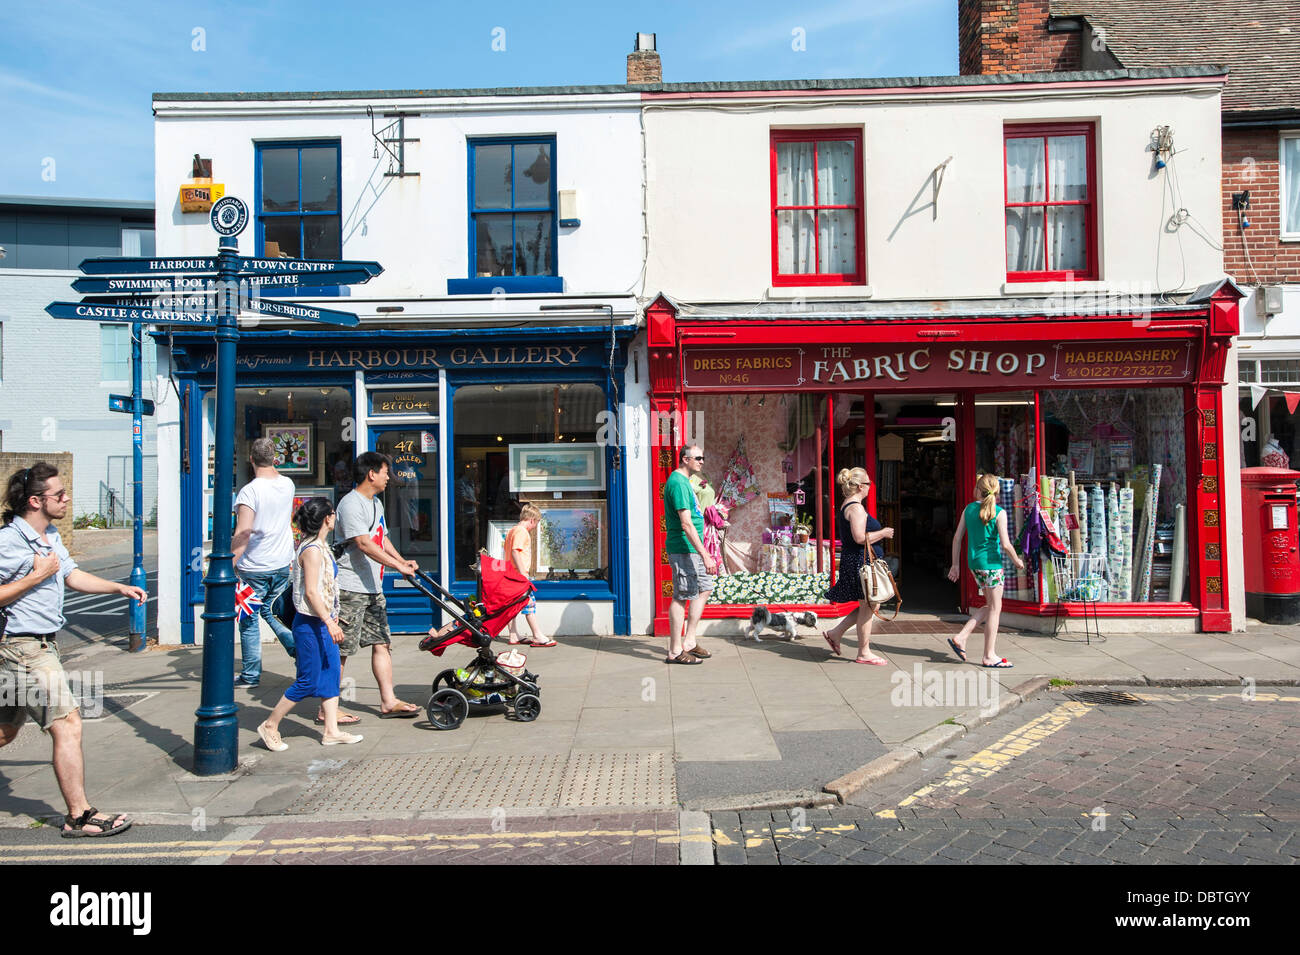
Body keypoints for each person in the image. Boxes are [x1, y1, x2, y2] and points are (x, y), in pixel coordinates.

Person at [0, 463, 147, 837]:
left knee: (5, 732)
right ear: (35, 501)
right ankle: (79, 816)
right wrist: (35, 576)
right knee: (67, 724)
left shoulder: (49, 534)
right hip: (23, 648)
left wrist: (119, 589)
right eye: (59, 495)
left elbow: (71, 575)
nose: (66, 499)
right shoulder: (9, 542)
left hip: (38, 645)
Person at [258, 498, 362, 751]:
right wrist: (329, 621)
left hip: (322, 623)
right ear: (327, 518)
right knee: (308, 679)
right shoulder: (312, 551)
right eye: (334, 513)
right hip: (310, 624)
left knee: (330, 673)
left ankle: (331, 731)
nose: (336, 517)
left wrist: (332, 616)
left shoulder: (320, 546)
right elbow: (311, 594)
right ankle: (270, 725)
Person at [330, 451, 421, 721]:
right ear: (372, 473)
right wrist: (397, 567)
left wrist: (402, 561)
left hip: (373, 587)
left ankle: (388, 701)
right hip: (350, 587)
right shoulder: (350, 504)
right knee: (342, 652)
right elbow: (363, 543)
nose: (388, 478)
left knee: (382, 643)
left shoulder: (376, 504)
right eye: (385, 472)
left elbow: (381, 539)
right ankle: (329, 708)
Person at [231, 437, 296, 688]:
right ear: (275, 459)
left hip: (255, 566)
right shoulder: (287, 484)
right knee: (273, 611)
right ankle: (295, 648)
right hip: (282, 562)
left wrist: (229, 563)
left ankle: (250, 674)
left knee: (249, 619)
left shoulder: (250, 491)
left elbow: (244, 532)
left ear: (251, 460)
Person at [947, 473, 1024, 668]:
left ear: (977, 490)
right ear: (996, 493)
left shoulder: (969, 509)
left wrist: (955, 565)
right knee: (995, 610)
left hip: (974, 564)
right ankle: (989, 655)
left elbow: (957, 538)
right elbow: (1006, 545)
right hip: (992, 565)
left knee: (990, 606)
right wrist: (1017, 561)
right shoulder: (999, 513)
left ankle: (961, 637)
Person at [822, 467, 895, 665]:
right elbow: (860, 537)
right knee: (870, 605)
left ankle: (835, 633)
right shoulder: (856, 508)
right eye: (869, 483)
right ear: (862, 486)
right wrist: (884, 532)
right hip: (860, 562)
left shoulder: (850, 505)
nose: (871, 487)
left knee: (870, 604)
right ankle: (864, 652)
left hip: (856, 560)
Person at [663, 445, 717, 665]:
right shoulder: (677, 483)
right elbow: (686, 523)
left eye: (703, 457)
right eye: (698, 458)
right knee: (681, 595)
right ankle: (675, 651)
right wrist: (705, 554)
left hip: (693, 548)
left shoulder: (686, 482)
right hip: (684, 547)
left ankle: (690, 642)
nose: (702, 461)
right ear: (685, 459)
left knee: (704, 588)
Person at [505, 503, 554, 647]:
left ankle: (513, 635)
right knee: (529, 603)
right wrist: (523, 575)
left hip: (510, 574)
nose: (535, 527)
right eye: (536, 523)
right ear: (532, 520)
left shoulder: (512, 530)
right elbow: (515, 551)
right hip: (519, 575)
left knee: (511, 607)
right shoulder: (522, 532)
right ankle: (537, 635)